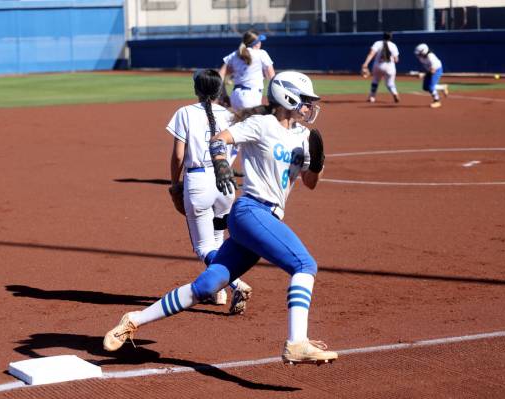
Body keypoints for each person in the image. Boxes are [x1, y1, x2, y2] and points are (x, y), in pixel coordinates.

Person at [104, 71, 338, 365]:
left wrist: (316, 163)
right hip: (251, 211)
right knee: (304, 265)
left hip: (265, 218)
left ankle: (134, 319)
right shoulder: (262, 124)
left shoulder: (304, 138)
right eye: (305, 100)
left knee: (207, 286)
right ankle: (297, 342)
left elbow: (311, 182)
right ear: (287, 98)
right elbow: (219, 140)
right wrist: (221, 165)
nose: (309, 107)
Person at [166, 68, 252, 314]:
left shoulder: (184, 113)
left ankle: (236, 283)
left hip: (198, 182)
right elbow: (237, 149)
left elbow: (179, 155)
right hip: (224, 183)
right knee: (217, 239)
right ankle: (218, 292)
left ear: (196, 89)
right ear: (218, 90)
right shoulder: (229, 115)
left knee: (203, 247)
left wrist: (174, 184)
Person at [219, 29, 275, 111]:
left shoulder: (235, 54)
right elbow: (271, 77)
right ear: (257, 43)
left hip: (235, 96)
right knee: (254, 123)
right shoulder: (261, 53)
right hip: (251, 97)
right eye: (260, 41)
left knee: (238, 123)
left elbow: (220, 75)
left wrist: (223, 94)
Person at [361, 31, 400, 103]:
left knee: (375, 81)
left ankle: (372, 97)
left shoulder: (377, 43)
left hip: (378, 66)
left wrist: (365, 63)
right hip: (390, 67)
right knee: (390, 83)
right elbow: (396, 60)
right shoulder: (393, 45)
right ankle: (394, 93)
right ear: (391, 38)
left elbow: (371, 54)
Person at [414, 43, 449, 108]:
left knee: (430, 87)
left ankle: (437, 101)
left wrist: (423, 75)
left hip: (437, 70)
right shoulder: (421, 58)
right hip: (429, 71)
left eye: (419, 53)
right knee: (425, 87)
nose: (418, 55)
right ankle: (443, 87)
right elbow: (425, 67)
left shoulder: (431, 57)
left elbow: (433, 71)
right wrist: (421, 73)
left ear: (424, 51)